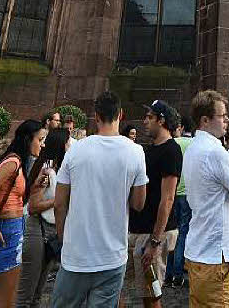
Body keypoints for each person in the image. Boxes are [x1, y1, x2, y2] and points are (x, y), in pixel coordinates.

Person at [51, 91, 147, 306]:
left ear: (96, 116)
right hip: (112, 256)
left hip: (76, 254)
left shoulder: (75, 150)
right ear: (120, 115)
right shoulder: (136, 152)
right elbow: (139, 204)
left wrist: (62, 238)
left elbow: (59, 203)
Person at [180, 90, 229, 308]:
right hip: (217, 255)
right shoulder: (215, 152)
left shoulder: (193, 148)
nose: (226, 120)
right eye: (222, 116)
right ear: (205, 120)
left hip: (200, 250)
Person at [0, 119, 44, 308]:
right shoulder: (12, 162)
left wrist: (34, 186)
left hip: (12, 229)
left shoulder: (17, 162)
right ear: (28, 139)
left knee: (5, 295)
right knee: (4, 297)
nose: (42, 144)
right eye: (40, 139)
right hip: (5, 230)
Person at [126, 101, 182, 308]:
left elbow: (167, 199)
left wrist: (155, 241)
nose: (145, 121)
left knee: (152, 296)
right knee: (142, 293)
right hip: (139, 229)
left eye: (150, 117)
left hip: (154, 233)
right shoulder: (149, 150)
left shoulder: (171, 150)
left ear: (162, 120)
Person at [17, 127, 69, 308]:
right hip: (37, 228)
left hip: (51, 230)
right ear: (62, 144)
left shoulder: (59, 168)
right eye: (69, 141)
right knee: (27, 292)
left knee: (38, 292)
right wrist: (59, 200)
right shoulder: (45, 168)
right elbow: (33, 206)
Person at [164, 119, 193, 289]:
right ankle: (177, 274)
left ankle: (168, 273)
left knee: (172, 233)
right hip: (188, 194)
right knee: (183, 234)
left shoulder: (172, 143)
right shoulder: (194, 144)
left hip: (173, 193)